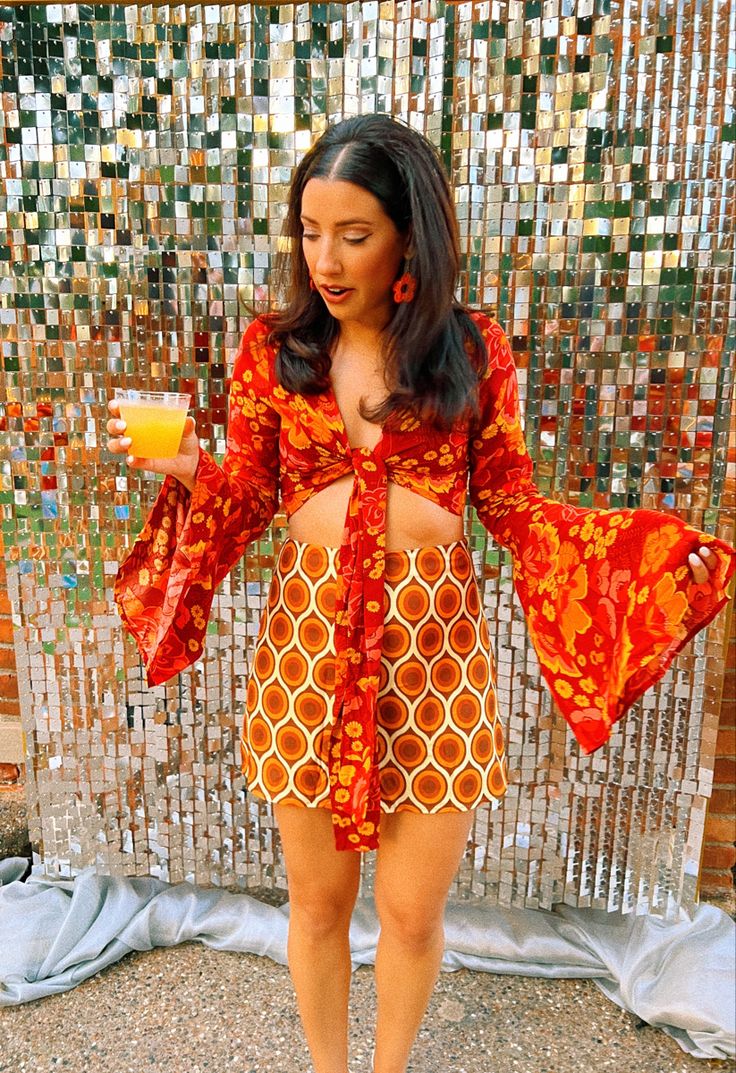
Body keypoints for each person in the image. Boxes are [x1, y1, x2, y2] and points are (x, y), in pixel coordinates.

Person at [107, 114, 735, 1073]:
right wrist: (192, 466)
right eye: (310, 232)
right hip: (307, 651)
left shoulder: (472, 351)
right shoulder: (275, 353)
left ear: (411, 235)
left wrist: (646, 554)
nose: (325, 258)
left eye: (353, 235)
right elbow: (245, 503)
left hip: (435, 654)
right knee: (316, 904)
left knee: (410, 910)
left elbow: (518, 509)